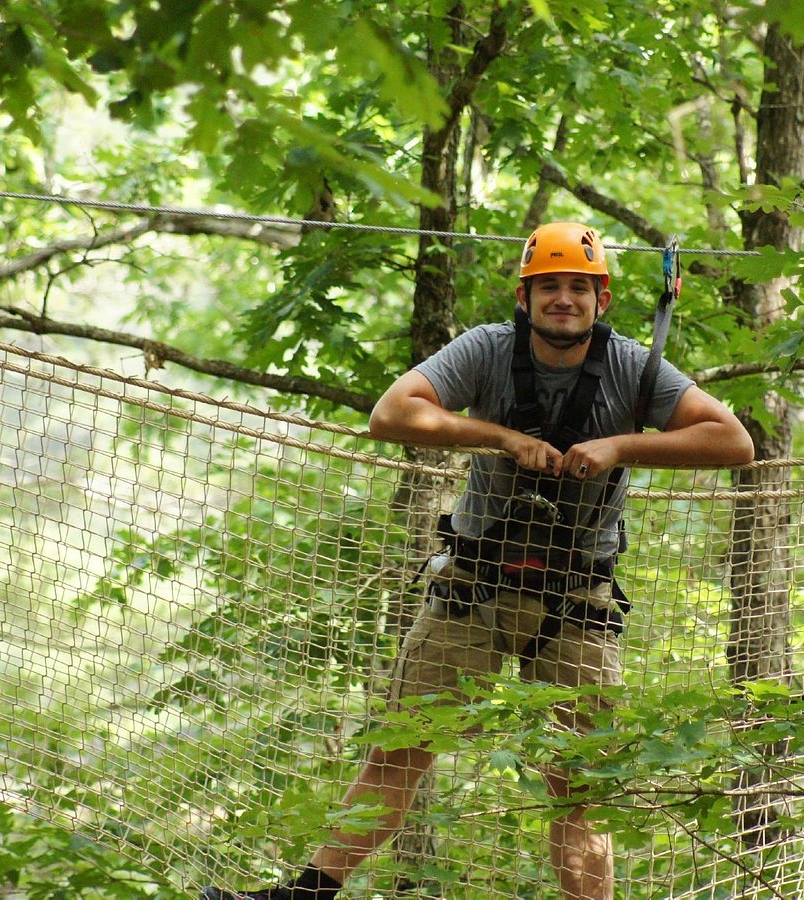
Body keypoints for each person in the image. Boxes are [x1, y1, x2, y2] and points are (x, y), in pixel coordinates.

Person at [202, 222, 754, 900]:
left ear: (600, 301)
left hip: (578, 596)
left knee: (579, 781)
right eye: (548, 286)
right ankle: (305, 894)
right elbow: (392, 414)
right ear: (524, 298)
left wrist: (619, 448)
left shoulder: (633, 368)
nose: (563, 299)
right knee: (401, 747)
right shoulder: (487, 350)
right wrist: (501, 437)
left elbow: (732, 441)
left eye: (578, 287)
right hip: (476, 583)